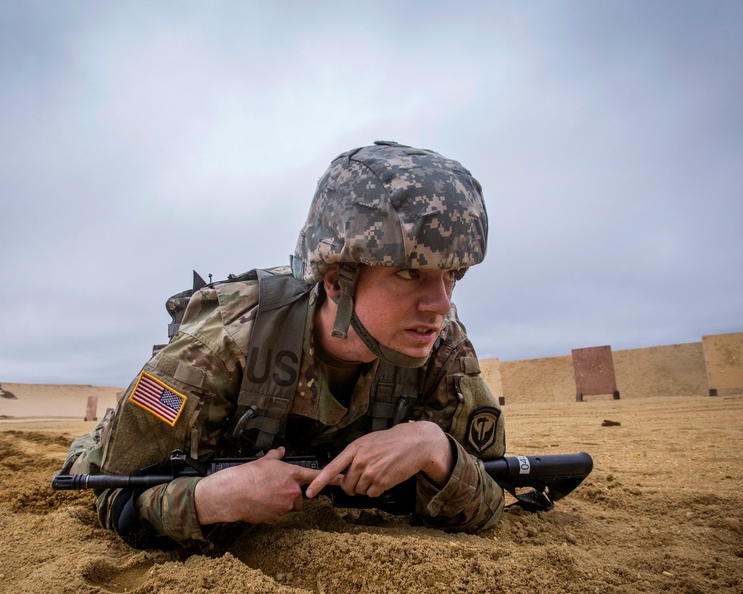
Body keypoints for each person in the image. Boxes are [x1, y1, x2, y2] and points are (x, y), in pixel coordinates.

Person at [62, 140, 507, 551]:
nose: (439, 304)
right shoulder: (220, 343)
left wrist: (436, 449)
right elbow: (112, 492)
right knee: (88, 456)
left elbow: (493, 494)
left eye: (452, 274)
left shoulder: (440, 345)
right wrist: (208, 501)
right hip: (164, 446)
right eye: (411, 273)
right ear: (337, 282)